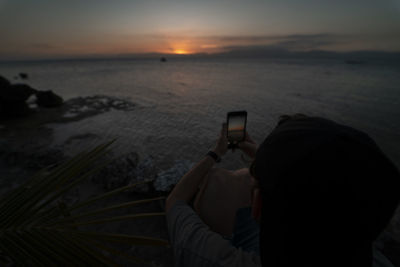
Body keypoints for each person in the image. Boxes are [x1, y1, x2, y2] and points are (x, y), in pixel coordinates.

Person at [165, 115, 400, 267]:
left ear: (257, 208)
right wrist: (261, 154)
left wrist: (216, 152)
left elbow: (175, 201)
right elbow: (318, 185)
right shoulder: (372, 253)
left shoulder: (218, 260)